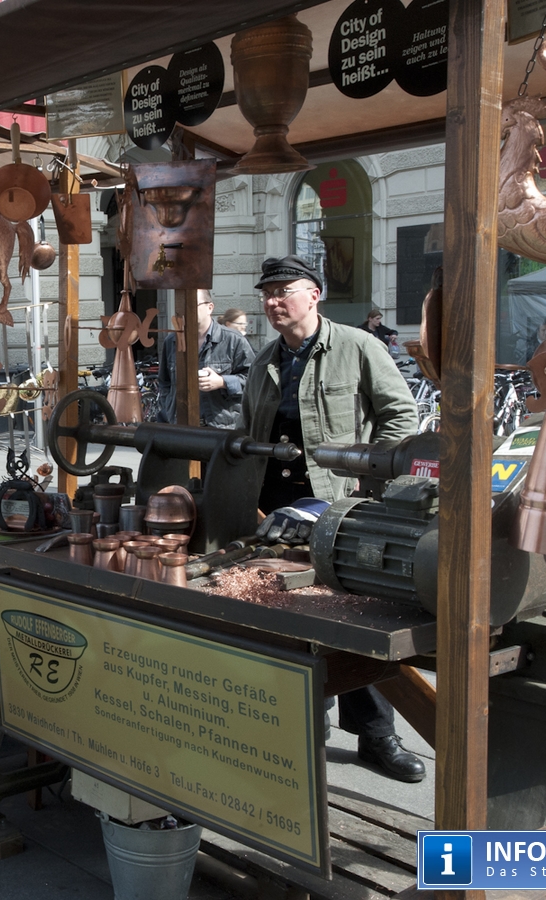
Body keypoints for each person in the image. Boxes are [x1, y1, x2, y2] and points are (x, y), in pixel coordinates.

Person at [242, 255, 425, 783]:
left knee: (354, 616)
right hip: (275, 507)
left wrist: (368, 481)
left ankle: (376, 737)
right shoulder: (264, 361)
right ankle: (301, 726)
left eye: (285, 290)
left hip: (341, 503)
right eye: (267, 292)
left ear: (314, 294)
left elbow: (401, 417)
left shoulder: (359, 347)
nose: (274, 301)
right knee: (281, 612)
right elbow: (248, 432)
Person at [155, 290, 253, 428]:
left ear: (210, 307)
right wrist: (168, 410)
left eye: (192, 304)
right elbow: (165, 383)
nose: (185, 310)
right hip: (180, 427)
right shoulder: (172, 341)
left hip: (220, 430)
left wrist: (222, 382)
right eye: (182, 305)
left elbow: (254, 381)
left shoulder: (233, 340)